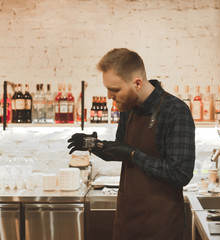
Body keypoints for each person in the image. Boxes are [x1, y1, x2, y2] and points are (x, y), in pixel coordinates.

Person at [67, 48, 196, 240]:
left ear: (137, 83)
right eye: (108, 89)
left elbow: (180, 174)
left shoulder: (175, 111)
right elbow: (121, 150)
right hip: (127, 222)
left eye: (115, 90)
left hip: (161, 226)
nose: (110, 96)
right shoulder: (128, 109)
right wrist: (94, 145)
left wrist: (134, 155)